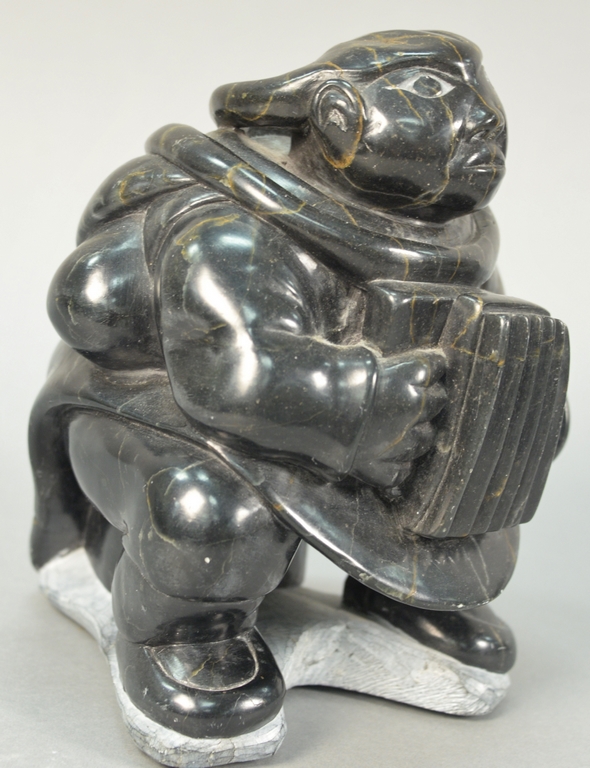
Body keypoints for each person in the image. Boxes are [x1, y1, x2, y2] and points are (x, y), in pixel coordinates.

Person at [30, 31, 558, 739]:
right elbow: (234, 375)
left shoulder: (450, 242)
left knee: (472, 462)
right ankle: (177, 632)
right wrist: (372, 399)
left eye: (478, 87)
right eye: (433, 90)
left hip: (369, 438)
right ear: (339, 115)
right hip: (171, 422)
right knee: (210, 511)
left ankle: (399, 597)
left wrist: (516, 414)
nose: (483, 115)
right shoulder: (231, 226)